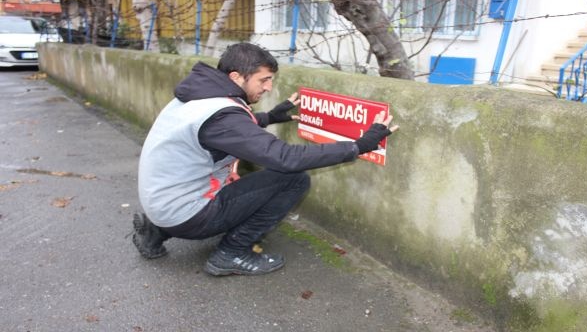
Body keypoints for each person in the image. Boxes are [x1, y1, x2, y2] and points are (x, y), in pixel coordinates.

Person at [132, 43, 398, 276]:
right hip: (185, 213)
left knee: (244, 179)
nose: (269, 87)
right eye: (264, 80)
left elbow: (229, 129)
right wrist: (358, 145)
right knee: (293, 179)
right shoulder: (221, 116)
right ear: (236, 77)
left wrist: (269, 117)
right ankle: (232, 253)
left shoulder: (198, 95)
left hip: (159, 203)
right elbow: (284, 157)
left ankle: (154, 233)